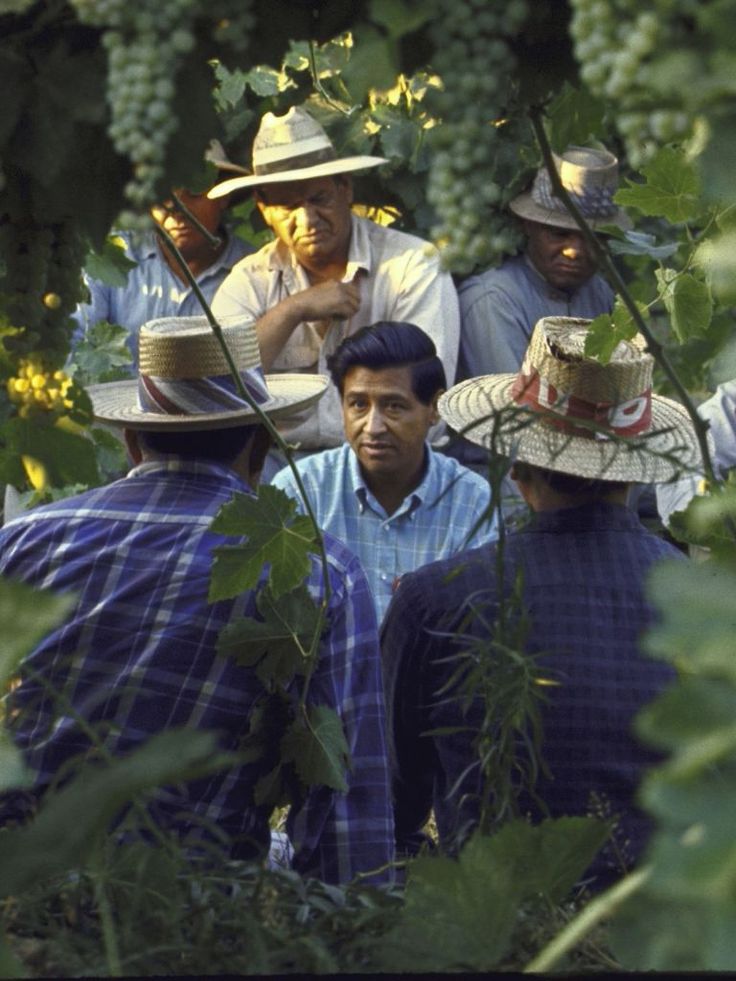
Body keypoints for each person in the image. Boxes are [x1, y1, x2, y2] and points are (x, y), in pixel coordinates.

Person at [0, 315, 394, 885]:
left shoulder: (22, 541)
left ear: (133, 439)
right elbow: (345, 810)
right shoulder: (319, 571)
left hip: (23, 886)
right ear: (261, 443)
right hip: (190, 904)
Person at [381, 316, 702, 888]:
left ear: (516, 463)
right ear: (634, 471)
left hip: (493, 924)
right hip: (657, 927)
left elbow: (392, 808)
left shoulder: (434, 601)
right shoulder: (705, 610)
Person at [208, 106, 460, 454]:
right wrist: (292, 310)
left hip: (391, 465)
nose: (308, 219)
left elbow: (430, 404)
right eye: (287, 206)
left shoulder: (414, 266)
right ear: (264, 209)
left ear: (346, 189)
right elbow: (217, 389)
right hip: (279, 470)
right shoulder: (249, 281)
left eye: (319, 199)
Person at [271, 322, 498, 623]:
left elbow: (480, 626)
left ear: (434, 408)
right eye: (358, 405)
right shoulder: (299, 490)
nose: (373, 427)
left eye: (393, 406)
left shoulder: (471, 501)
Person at [72, 141, 254, 364]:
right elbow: (74, 342)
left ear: (223, 197)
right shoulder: (111, 258)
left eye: (194, 193)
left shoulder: (256, 272)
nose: (177, 210)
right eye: (162, 194)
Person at [457, 145, 630, 380]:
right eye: (558, 234)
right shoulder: (493, 301)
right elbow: (512, 409)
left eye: (592, 238)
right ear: (527, 226)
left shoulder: (599, 293)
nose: (574, 252)